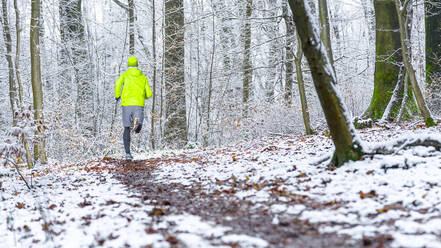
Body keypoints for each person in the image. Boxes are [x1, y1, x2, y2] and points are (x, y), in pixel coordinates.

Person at [115, 56, 152, 159]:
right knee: (138, 122)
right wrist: (143, 95)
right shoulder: (143, 77)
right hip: (138, 104)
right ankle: (137, 124)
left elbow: (118, 84)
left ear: (128, 65)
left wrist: (117, 95)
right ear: (137, 65)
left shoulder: (124, 75)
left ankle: (127, 153)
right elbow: (149, 93)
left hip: (126, 104)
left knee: (126, 128)